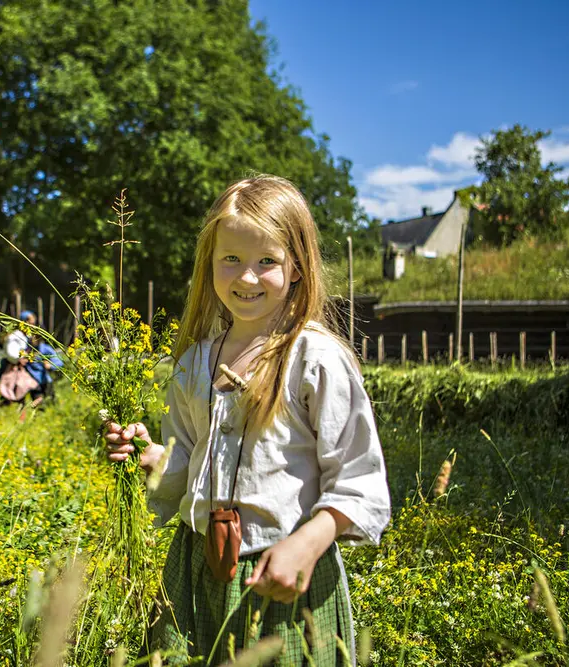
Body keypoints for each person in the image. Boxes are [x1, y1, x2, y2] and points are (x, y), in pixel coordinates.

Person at [105, 175, 391, 665]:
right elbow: (187, 468)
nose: (247, 277)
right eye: (231, 259)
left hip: (284, 579)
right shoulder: (194, 363)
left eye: (267, 262)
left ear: (297, 266)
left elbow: (361, 484)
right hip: (193, 571)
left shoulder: (314, 358)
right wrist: (152, 456)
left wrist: (306, 544)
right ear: (210, 264)